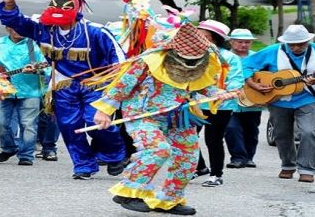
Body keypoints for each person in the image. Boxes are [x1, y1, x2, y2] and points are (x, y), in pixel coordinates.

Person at [92, 24, 239, 215]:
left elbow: (200, 85)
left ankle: (169, 200)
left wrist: (218, 92)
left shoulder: (205, 58)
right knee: (158, 149)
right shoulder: (150, 60)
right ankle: (128, 192)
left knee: (188, 157)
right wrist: (104, 110)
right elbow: (123, 84)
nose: (190, 62)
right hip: (144, 114)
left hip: (179, 115)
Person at [0, 0, 127, 179]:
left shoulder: (97, 32)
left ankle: (113, 154)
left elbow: (120, 63)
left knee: (96, 121)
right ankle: (83, 165)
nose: (59, 21)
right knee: (71, 128)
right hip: (63, 85)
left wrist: (114, 92)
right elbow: (17, 22)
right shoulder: (44, 30)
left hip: (95, 84)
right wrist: (10, 5)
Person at [241, 25, 315, 183]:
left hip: (308, 98)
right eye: (292, 45)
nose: (296, 48)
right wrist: (252, 84)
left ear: (308, 41)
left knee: (309, 132)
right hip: (278, 100)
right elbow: (247, 64)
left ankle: (307, 169)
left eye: (301, 44)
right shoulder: (272, 50)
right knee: (281, 134)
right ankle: (288, 165)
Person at [193, 20, 242, 188]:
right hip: (194, 103)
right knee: (188, 136)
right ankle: (199, 167)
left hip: (220, 105)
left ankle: (216, 174)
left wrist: (229, 92)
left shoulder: (228, 58)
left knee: (213, 139)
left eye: (203, 36)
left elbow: (236, 81)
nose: (198, 38)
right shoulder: (191, 54)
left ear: (212, 38)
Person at [0, 27, 48, 166]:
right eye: (15, 27)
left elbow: (49, 67)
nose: (19, 30)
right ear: (7, 28)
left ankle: (26, 155)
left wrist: (36, 70)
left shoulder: (36, 46)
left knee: (28, 125)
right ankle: (9, 148)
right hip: (2, 91)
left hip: (30, 91)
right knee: (0, 123)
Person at [224, 28, 263, 169]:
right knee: (231, 128)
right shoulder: (225, 57)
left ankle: (249, 157)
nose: (244, 45)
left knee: (251, 129)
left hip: (253, 100)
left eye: (247, 42)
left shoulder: (257, 57)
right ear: (231, 42)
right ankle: (237, 157)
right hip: (230, 100)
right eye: (240, 42)